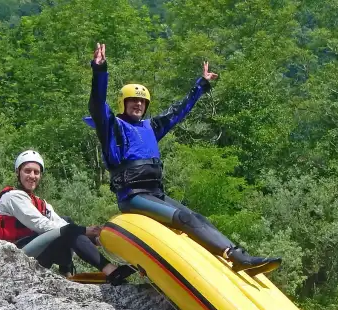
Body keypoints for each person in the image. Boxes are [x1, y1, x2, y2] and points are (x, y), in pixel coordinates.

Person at [85, 43, 281, 276]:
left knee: (198, 218)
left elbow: (178, 111)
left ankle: (238, 256)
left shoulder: (151, 127)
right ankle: (233, 256)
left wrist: (201, 85)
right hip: (133, 196)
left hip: (155, 193)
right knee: (183, 217)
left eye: (142, 101)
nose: (138, 104)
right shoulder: (113, 128)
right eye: (133, 100)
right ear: (123, 103)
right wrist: (99, 71)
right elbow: (97, 104)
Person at [0, 149, 134, 284]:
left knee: (67, 222)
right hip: (13, 256)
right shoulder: (12, 197)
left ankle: (67, 272)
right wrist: (84, 230)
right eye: (27, 171)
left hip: (33, 252)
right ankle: (111, 270)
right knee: (68, 229)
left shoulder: (41, 203)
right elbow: (41, 225)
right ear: (18, 172)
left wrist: (95, 238)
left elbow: (61, 223)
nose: (32, 176)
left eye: (36, 172)